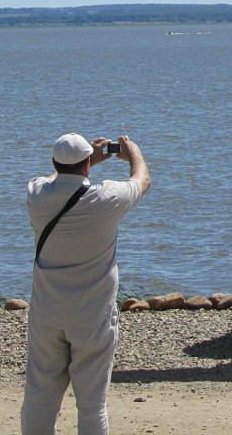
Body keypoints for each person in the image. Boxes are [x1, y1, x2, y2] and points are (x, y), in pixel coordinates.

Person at [21, 133, 150, 435]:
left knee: (39, 398)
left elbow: (57, 177)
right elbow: (142, 181)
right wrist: (134, 153)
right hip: (93, 315)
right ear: (87, 167)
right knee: (92, 405)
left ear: (54, 162)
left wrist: (87, 158)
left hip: (47, 312)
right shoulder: (104, 199)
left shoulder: (36, 195)